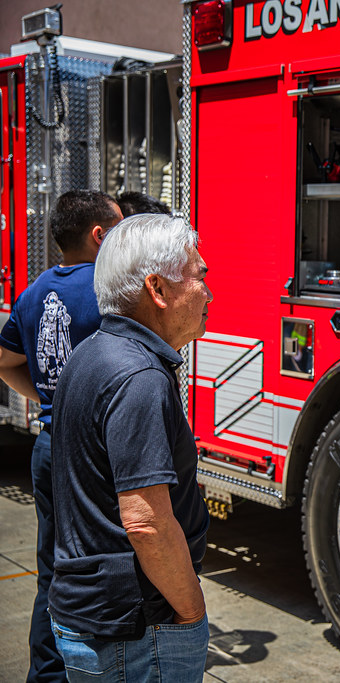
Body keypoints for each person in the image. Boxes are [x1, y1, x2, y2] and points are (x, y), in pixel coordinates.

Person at [48, 214, 213, 682]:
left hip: (95, 615)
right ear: (157, 288)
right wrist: (191, 610)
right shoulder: (139, 376)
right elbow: (145, 523)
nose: (208, 293)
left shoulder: (92, 352)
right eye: (199, 277)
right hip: (135, 632)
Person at [0, 189, 122, 683]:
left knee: (53, 571)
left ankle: (47, 673)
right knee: (108, 571)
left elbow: (5, 362)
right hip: (97, 453)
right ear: (100, 235)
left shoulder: (33, 293)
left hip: (50, 446)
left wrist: (53, 397)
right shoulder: (111, 291)